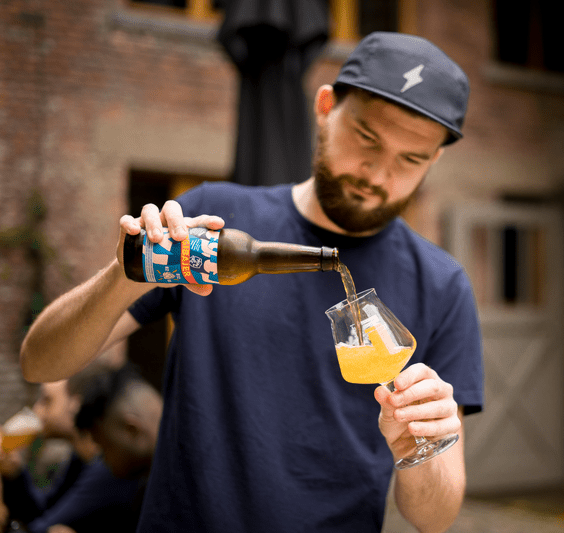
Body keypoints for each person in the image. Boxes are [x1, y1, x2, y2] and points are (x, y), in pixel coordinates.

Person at [19, 31, 484, 533]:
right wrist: (124, 277)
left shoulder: (442, 285)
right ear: (326, 106)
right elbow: (41, 362)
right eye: (367, 138)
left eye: (410, 159)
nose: (377, 172)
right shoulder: (212, 225)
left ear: (435, 159)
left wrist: (421, 448)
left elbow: (435, 520)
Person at [1, 364, 141, 533]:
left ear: (76, 405)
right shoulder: (80, 458)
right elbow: (44, 511)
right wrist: (15, 473)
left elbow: (41, 529)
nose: (37, 410)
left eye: (47, 401)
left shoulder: (108, 467)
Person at [73, 363, 162, 526]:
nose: (100, 457)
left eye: (104, 446)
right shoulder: (150, 482)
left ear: (132, 430)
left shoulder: (185, 484)